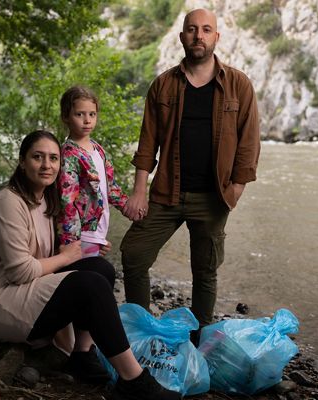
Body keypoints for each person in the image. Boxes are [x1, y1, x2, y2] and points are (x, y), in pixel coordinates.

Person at [0, 130, 181, 400]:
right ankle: (134, 381)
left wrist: (88, 248)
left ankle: (82, 354)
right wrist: (68, 257)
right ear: (22, 161)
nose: (47, 165)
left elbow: (58, 246)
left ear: (60, 164)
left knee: (100, 269)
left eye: (53, 158)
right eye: (37, 157)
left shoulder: (47, 198)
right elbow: (19, 271)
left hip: (28, 287)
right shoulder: (9, 203)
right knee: (88, 285)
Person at [121, 9, 261, 339]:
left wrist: (237, 187)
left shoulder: (238, 84)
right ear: (182, 36)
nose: (199, 35)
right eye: (192, 29)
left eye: (206, 29)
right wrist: (139, 190)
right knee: (134, 254)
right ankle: (141, 332)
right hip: (167, 192)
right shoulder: (163, 85)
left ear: (216, 37)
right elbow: (147, 142)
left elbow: (249, 139)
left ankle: (198, 342)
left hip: (213, 197)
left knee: (205, 270)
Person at [57, 86, 128, 258]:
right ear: (66, 117)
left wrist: (127, 207)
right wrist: (71, 240)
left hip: (97, 232)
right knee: (84, 276)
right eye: (79, 114)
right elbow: (67, 201)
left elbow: (109, 186)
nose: (87, 120)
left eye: (92, 114)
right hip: (80, 235)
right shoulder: (68, 154)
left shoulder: (98, 149)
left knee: (92, 274)